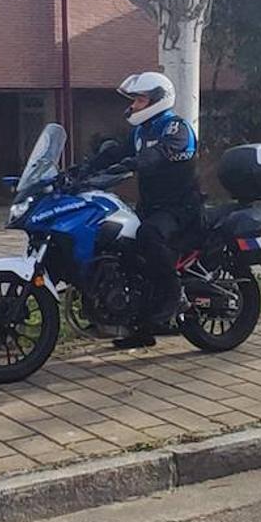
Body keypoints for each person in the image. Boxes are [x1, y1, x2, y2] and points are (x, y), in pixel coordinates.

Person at [85, 71, 201, 349]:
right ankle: (135, 324)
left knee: (148, 236)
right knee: (118, 245)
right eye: (135, 100)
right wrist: (83, 169)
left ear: (157, 101)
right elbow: (114, 154)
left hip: (180, 209)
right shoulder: (140, 131)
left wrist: (130, 165)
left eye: (139, 100)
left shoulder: (175, 128)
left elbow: (157, 155)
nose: (134, 105)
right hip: (150, 207)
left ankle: (172, 296)